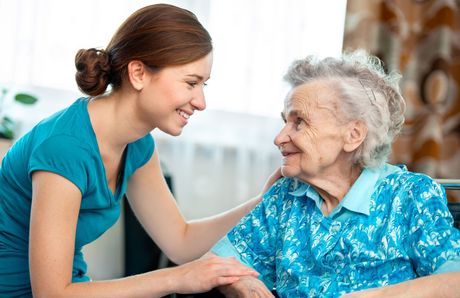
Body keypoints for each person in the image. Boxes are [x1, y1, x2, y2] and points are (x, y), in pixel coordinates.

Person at [0, 4, 280, 297]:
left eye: (203, 85)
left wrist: (263, 202)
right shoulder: (65, 148)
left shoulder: (138, 144)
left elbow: (180, 241)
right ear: (138, 73)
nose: (201, 101)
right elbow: (53, 294)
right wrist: (176, 278)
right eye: (191, 83)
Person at [212, 50, 460, 297]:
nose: (279, 138)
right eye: (284, 121)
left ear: (353, 135)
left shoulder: (410, 196)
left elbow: (454, 281)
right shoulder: (285, 196)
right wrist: (239, 283)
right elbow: (218, 264)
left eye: (299, 122)